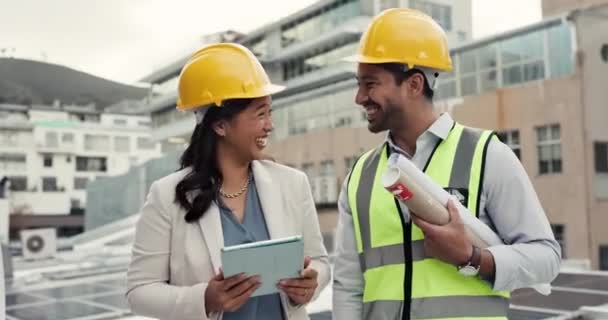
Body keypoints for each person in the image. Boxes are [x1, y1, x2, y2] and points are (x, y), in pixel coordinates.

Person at [332, 8, 561, 320]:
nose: (359, 97)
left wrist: (472, 257)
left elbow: (546, 259)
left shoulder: (487, 155)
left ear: (414, 84)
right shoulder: (359, 176)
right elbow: (348, 286)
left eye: (370, 84)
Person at [127, 43, 330, 320]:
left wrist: (310, 283)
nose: (270, 125)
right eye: (260, 114)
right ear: (220, 125)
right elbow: (139, 292)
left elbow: (319, 260)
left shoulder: (293, 184)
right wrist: (205, 298)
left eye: (269, 112)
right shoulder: (167, 196)